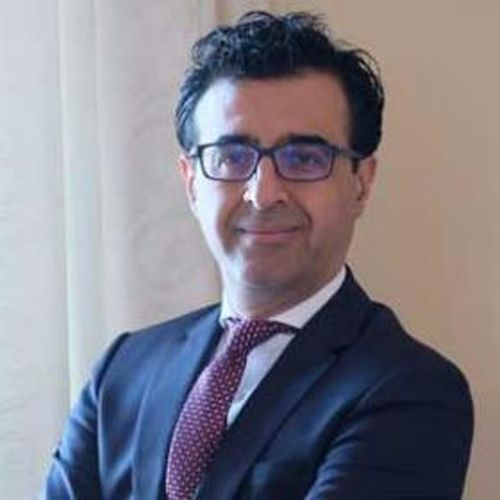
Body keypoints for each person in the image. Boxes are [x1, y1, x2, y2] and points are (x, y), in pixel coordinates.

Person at [42, 11, 474, 499]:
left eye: (304, 158)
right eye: (232, 157)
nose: (263, 194)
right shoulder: (123, 371)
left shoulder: (411, 390)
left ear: (361, 181)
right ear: (191, 182)